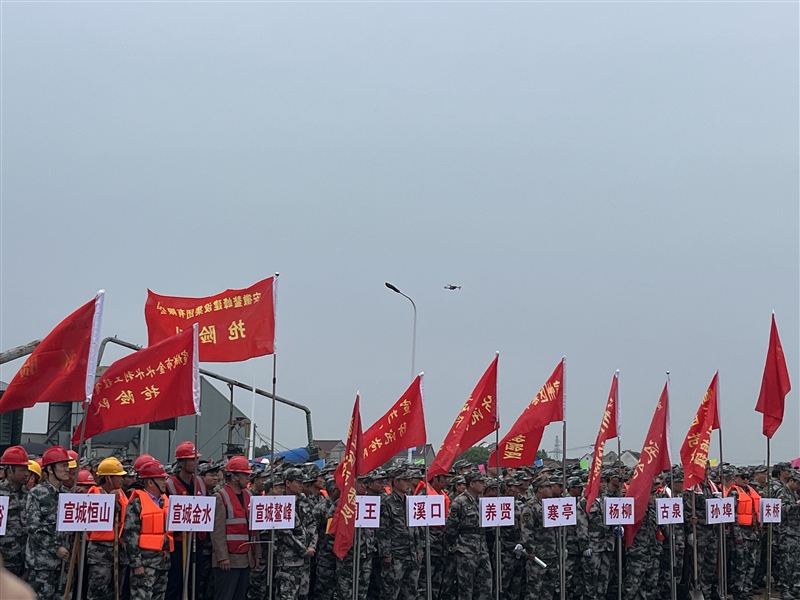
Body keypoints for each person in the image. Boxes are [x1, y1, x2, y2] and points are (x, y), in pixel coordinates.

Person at [25, 445, 71, 600]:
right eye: (63, 465)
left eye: (67, 465)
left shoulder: (68, 494)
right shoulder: (37, 494)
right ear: (50, 469)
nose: (67, 469)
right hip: (42, 564)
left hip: (64, 564)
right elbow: (33, 527)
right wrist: (55, 548)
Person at [124, 460, 173, 600]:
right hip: (145, 564)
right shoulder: (137, 503)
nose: (164, 482)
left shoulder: (165, 501)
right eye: (161, 479)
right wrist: (136, 564)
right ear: (150, 482)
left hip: (162, 563)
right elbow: (130, 535)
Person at [212, 456, 257, 600]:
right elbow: (217, 532)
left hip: (246, 559)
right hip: (228, 560)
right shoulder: (220, 497)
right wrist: (222, 557)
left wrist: (256, 554)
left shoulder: (248, 495)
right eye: (245, 474)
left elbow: (254, 528)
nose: (248, 478)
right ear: (234, 476)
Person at [165, 441, 207, 600]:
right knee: (176, 583)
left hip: (197, 540)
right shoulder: (170, 485)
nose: (196, 462)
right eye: (192, 459)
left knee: (195, 581)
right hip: (178, 542)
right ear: (182, 462)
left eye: (196, 459)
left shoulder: (200, 483)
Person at [87, 457, 130, 600]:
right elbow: (96, 518)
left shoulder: (121, 493)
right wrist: (109, 501)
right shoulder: (94, 494)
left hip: (119, 548)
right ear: (107, 478)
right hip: (100, 550)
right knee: (98, 591)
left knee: (116, 591)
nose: (122, 479)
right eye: (118, 476)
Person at [443, 471, 491, 600]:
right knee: (466, 588)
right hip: (465, 550)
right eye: (480, 482)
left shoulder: (482, 502)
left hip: (482, 549)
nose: (484, 485)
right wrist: (456, 546)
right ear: (472, 484)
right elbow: (450, 528)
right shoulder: (459, 502)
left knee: (485, 586)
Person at [378, 469, 422, 600]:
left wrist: (418, 550)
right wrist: (386, 554)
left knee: (410, 593)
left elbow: (416, 528)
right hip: (395, 555)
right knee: (391, 592)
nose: (409, 484)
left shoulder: (410, 502)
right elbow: (383, 530)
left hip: (411, 554)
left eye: (410, 480)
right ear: (396, 482)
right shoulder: (386, 502)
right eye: (405, 480)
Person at [275, 468, 317, 600]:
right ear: (288, 483)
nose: (301, 485)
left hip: (305, 560)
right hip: (288, 561)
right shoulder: (280, 503)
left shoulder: (303, 500)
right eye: (298, 482)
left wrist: (312, 545)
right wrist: (303, 550)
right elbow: (284, 533)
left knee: (303, 594)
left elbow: (312, 524)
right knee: (287, 595)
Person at [724, 467, 760, 600]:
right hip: (740, 533)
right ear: (736, 478)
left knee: (752, 563)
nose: (746, 480)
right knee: (740, 564)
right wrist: (736, 533)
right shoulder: (734, 493)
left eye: (747, 477)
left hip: (752, 532)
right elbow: (731, 514)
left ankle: (746, 589)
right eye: (743, 477)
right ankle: (738, 591)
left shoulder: (751, 491)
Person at [520, 477, 559, 600]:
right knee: (534, 590)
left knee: (549, 590)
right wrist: (531, 551)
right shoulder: (530, 506)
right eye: (548, 487)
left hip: (552, 553)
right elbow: (526, 531)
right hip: (538, 556)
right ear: (540, 489)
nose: (551, 489)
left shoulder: (552, 505)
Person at [0, 446, 32, 577]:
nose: (26, 474)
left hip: (26, 559)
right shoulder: (1, 493)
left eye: (27, 469)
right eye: (22, 470)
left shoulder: (29, 494)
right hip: (5, 560)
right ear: (9, 471)